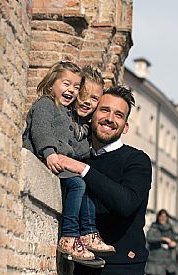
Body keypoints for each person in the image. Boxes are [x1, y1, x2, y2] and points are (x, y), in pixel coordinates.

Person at [57, 85, 153, 275]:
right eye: (104, 110)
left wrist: (82, 169)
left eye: (118, 115)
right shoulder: (81, 159)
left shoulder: (137, 160)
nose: (110, 118)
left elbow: (125, 204)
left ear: (125, 126)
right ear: (92, 116)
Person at [22, 62, 113, 263]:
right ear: (52, 82)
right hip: (46, 160)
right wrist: (49, 152)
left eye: (94, 98)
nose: (86, 100)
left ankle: (88, 232)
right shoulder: (48, 104)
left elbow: (77, 150)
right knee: (78, 183)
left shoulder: (81, 125)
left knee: (87, 180)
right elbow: (42, 130)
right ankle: (70, 235)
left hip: (60, 165)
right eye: (82, 93)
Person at [145, 209, 178, 275]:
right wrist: (162, 239)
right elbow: (149, 238)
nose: (163, 218)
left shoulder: (171, 229)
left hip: (169, 260)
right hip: (155, 260)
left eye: (165, 216)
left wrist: (174, 243)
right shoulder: (154, 228)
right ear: (158, 217)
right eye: (161, 216)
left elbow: (176, 238)